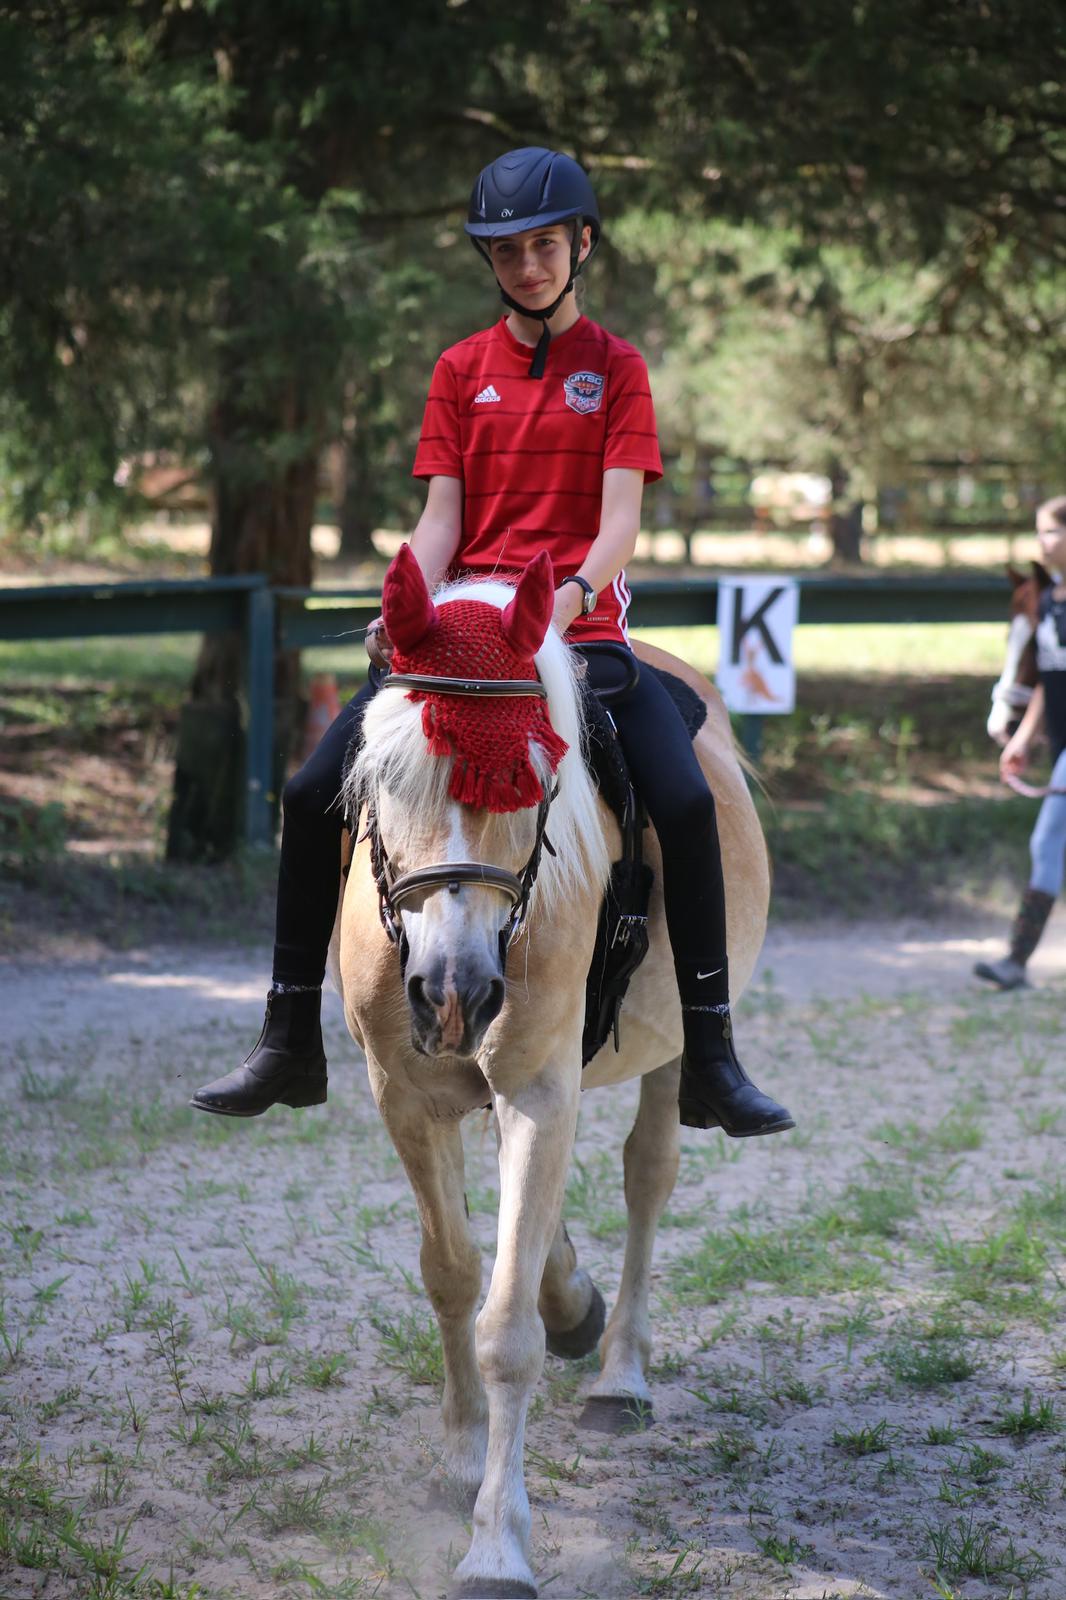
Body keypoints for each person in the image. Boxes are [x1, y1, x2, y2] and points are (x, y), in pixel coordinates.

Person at [192, 147, 794, 1138]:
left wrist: (557, 606)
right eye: (506, 252)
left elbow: (617, 529)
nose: (526, 266)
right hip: (465, 642)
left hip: (581, 632)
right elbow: (441, 517)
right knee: (309, 791)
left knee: (684, 799)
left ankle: (712, 1054)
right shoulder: (457, 371)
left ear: (581, 244)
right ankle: (287, 1032)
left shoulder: (618, 369)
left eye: (544, 246)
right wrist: (418, 592)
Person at [975, 495, 1066, 990]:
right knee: (1049, 841)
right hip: (1061, 748)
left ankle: (1016, 959)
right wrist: (1025, 739)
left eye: (1050, 532)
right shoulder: (1050, 602)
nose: (1042, 543)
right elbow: (1050, 679)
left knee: (1046, 839)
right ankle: (1017, 961)